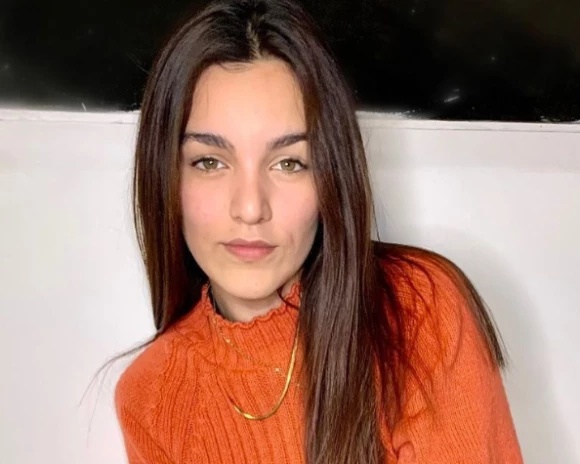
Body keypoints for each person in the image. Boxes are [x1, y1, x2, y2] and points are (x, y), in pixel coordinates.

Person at [114, 0, 524, 462]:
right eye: (209, 162)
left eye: (289, 163)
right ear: (165, 177)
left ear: (330, 177)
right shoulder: (153, 398)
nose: (250, 208)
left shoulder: (416, 313)